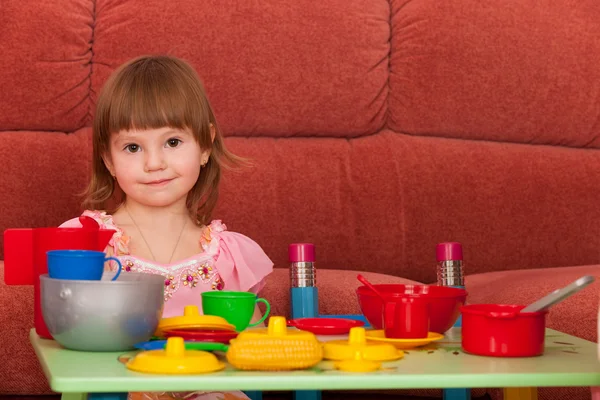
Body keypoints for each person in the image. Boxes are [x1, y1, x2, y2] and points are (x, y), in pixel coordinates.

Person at [60, 55, 274, 400]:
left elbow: (252, 358)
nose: (154, 163)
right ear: (108, 160)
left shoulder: (229, 255)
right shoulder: (88, 241)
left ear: (205, 146)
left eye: (172, 142)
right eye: (132, 147)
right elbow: (69, 343)